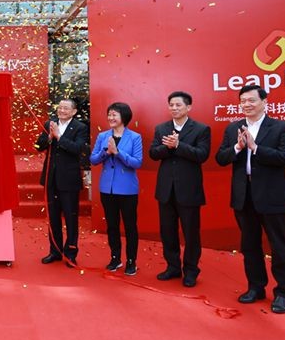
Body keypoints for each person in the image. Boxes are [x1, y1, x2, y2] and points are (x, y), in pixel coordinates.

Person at [216, 84, 285, 314]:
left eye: (251, 100)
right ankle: (256, 287)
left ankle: (283, 293)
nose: (247, 105)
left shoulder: (280, 127)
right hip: (244, 196)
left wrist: (256, 148)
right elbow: (221, 158)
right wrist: (238, 147)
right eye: (243, 101)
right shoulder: (233, 128)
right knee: (249, 245)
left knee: (278, 245)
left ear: (264, 102)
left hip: (271, 196)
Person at [149, 91, 211, 287]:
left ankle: (191, 270)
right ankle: (173, 267)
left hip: (189, 189)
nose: (174, 108)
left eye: (178, 105)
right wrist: (168, 148)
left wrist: (178, 145)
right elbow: (153, 153)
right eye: (171, 105)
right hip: (166, 190)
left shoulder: (201, 129)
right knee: (167, 231)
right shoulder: (161, 128)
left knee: (191, 233)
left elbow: (202, 155)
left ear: (188, 107)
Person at [90, 102, 143, 276]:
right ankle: (115, 258)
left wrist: (118, 152)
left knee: (130, 226)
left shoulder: (134, 137)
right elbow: (93, 159)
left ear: (124, 117)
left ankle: (131, 261)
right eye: (109, 114)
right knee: (112, 225)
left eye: (114, 114)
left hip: (127, 189)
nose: (111, 118)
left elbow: (137, 162)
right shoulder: (103, 136)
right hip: (107, 188)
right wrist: (106, 152)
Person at [35, 98, 89, 266]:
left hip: (69, 180)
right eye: (60, 108)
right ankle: (55, 251)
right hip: (51, 178)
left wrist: (59, 137)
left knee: (71, 218)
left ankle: (71, 253)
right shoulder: (50, 123)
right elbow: (38, 146)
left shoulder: (80, 127)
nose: (62, 111)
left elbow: (78, 149)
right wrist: (49, 137)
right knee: (53, 217)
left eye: (66, 108)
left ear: (74, 111)